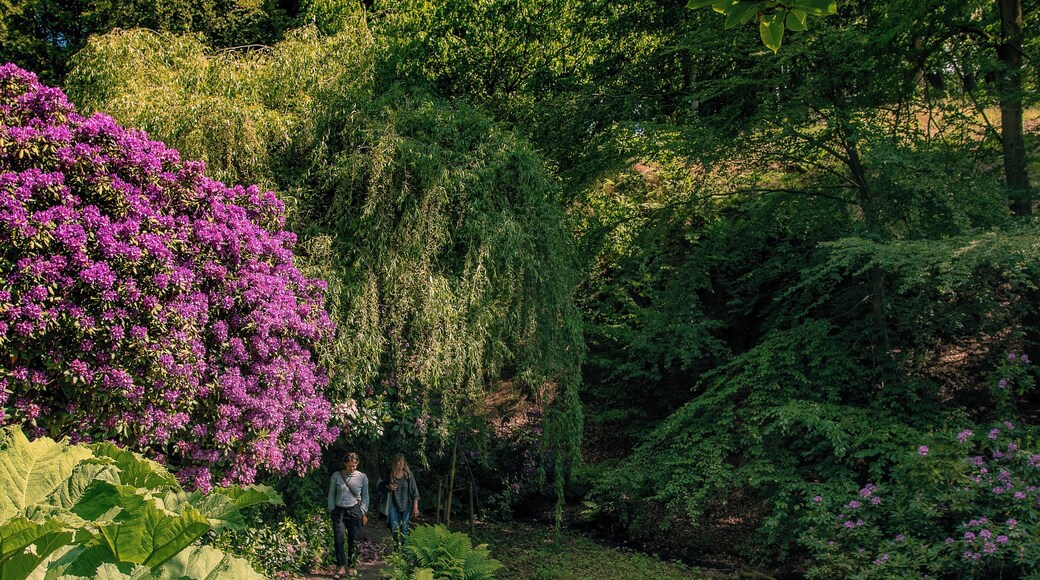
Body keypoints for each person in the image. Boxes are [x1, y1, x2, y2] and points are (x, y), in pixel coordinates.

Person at [328, 452, 369, 579]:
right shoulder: (336, 476)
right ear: (345, 464)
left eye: (354, 466)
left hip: (354, 510)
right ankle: (341, 568)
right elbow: (331, 494)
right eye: (350, 466)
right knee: (338, 540)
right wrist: (332, 509)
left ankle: (351, 568)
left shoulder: (362, 477)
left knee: (354, 540)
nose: (352, 468)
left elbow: (366, 496)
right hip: (339, 510)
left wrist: (362, 511)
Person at [383, 453, 420, 549]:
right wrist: (389, 487)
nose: (401, 463)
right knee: (394, 528)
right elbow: (382, 486)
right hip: (393, 504)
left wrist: (415, 507)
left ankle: (405, 551)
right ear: (395, 462)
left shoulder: (408, 475)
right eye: (399, 461)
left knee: (404, 529)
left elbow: (414, 492)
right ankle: (397, 549)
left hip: (406, 504)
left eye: (402, 461)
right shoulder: (390, 474)